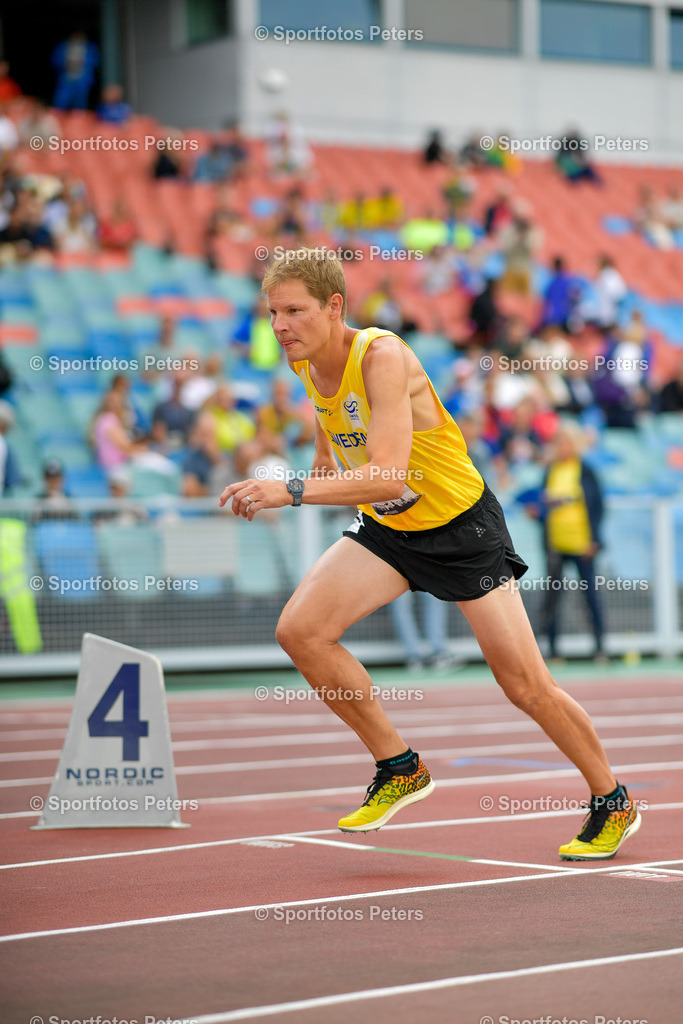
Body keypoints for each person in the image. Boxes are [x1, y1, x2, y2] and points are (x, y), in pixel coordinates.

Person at [218, 248, 641, 861]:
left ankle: (612, 798)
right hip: (392, 532)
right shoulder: (305, 357)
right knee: (301, 632)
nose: (280, 326)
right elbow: (329, 408)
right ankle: (399, 767)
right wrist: (323, 455)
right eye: (273, 313)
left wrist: (293, 488)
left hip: (461, 531)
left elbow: (387, 475)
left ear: (334, 307)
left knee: (525, 686)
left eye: (294, 312)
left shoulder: (383, 355)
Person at [530, 424, 607, 663]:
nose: (561, 447)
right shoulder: (550, 470)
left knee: (590, 595)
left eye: (565, 442)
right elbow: (543, 506)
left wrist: (594, 540)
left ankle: (600, 648)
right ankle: (553, 649)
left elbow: (597, 507)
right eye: (558, 442)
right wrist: (537, 513)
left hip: (582, 544)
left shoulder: (586, 471)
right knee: (553, 597)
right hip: (555, 544)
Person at [51, 31, 100, 111]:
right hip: (66, 79)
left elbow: (95, 62)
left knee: (80, 105)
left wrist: (81, 63)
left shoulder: (90, 47)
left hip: (82, 79)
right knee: (60, 103)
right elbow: (55, 61)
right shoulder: (62, 46)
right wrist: (66, 63)